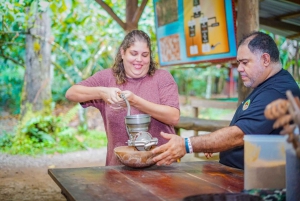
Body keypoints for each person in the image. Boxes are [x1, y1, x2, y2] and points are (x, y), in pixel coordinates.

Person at [152, 31, 300, 170]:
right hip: (238, 173)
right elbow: (245, 126)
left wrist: (186, 144)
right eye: (238, 63)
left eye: (245, 62)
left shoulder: (276, 92)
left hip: (260, 182)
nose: (240, 68)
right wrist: (212, 143)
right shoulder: (268, 85)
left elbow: (240, 134)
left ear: (265, 59)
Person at [65, 30, 180, 166]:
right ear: (122, 53)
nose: (139, 60)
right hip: (119, 168)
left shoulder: (162, 78)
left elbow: (173, 117)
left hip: (161, 165)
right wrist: (102, 92)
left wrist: (135, 101)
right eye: (133, 53)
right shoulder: (107, 78)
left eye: (144, 55)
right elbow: (71, 93)